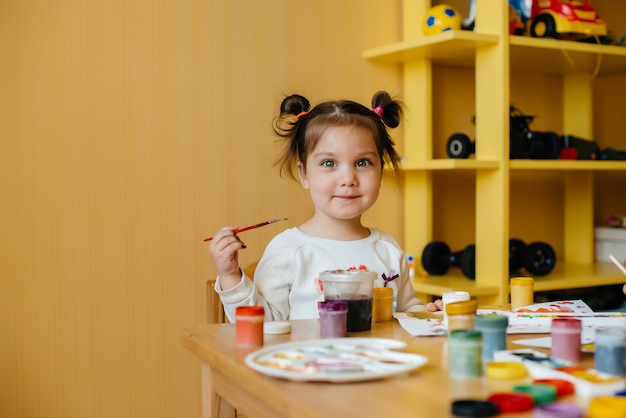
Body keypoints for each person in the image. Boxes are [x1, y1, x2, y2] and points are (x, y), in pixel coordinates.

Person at [209, 91, 443, 322]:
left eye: (363, 162)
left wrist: (430, 315)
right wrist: (231, 277)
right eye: (329, 163)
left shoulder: (388, 250)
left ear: (381, 172)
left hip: (374, 360)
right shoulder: (288, 250)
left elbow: (406, 313)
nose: (348, 178)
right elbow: (262, 325)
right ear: (304, 174)